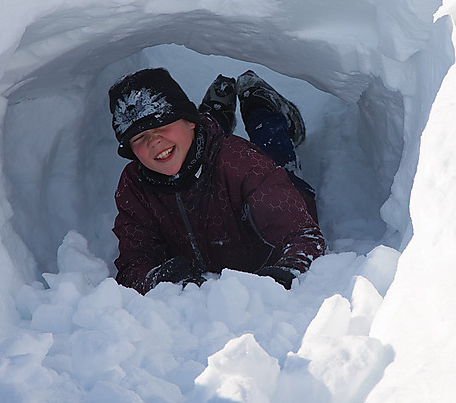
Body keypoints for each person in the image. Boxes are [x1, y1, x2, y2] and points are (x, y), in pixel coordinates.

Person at [108, 67, 326, 294]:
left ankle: (260, 103)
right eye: (140, 138)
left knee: (273, 147)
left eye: (162, 127)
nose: (154, 142)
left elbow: (305, 236)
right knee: (194, 146)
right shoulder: (135, 186)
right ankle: (215, 114)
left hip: (282, 199)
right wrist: (158, 278)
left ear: (189, 120)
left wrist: (285, 273)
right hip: (198, 151)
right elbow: (132, 265)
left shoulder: (245, 163)